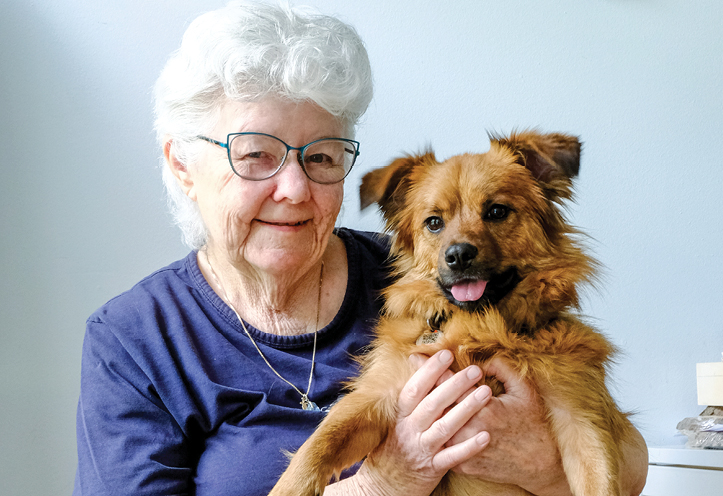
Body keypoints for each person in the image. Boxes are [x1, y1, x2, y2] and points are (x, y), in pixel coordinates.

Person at [73, 2, 648, 495]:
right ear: (184, 165)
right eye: (255, 155)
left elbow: (630, 461)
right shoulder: (133, 341)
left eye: (320, 156)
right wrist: (387, 480)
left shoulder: (409, 277)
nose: (294, 189)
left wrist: (542, 465)